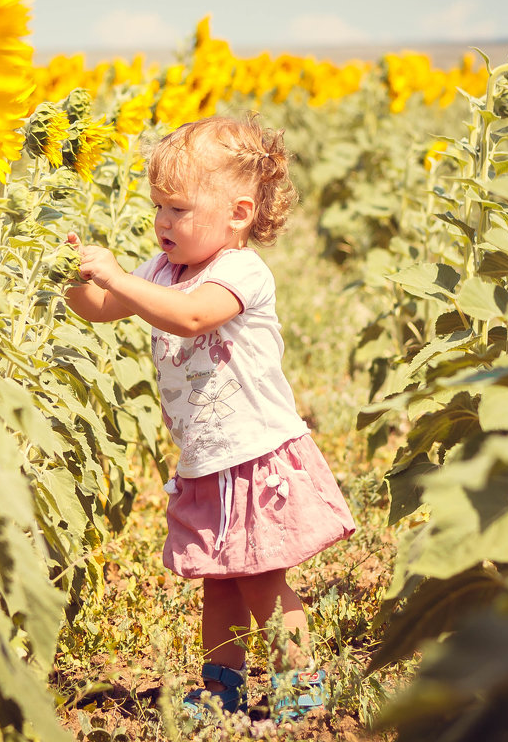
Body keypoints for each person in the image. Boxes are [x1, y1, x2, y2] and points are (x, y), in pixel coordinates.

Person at [64, 114, 356, 722]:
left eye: (179, 210)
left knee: (262, 581)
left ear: (238, 214)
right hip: (208, 456)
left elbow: (191, 318)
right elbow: (101, 307)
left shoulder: (238, 272)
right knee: (220, 580)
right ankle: (221, 690)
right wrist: (69, 274)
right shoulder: (162, 270)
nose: (163, 222)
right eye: (158, 208)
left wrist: (120, 275)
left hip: (254, 453)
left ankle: (299, 690)